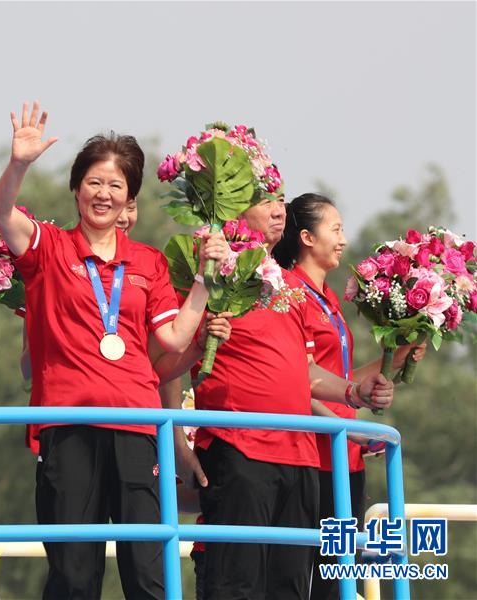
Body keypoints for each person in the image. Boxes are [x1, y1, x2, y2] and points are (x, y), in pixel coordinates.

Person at [0, 101, 229, 599]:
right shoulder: (49, 247)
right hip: (69, 425)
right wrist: (18, 165)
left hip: (137, 427)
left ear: (129, 198)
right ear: (77, 188)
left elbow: (173, 338)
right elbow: (2, 214)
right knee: (74, 574)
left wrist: (204, 283)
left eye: (116, 185)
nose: (104, 194)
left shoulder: (147, 262)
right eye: (94, 182)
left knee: (147, 571)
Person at [155, 192, 396, 599]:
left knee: (290, 588)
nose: (278, 210)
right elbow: (168, 359)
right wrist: (177, 447)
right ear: (234, 206)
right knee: (237, 586)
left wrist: (354, 392)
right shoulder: (208, 271)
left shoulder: (289, 284)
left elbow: (304, 371)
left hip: (300, 459)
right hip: (240, 451)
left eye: (281, 199)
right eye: (265, 200)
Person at [272, 193, 424, 599]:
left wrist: (398, 357)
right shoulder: (290, 293)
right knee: (306, 580)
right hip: (314, 456)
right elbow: (295, 382)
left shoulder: (329, 299)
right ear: (306, 237)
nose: (343, 240)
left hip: (346, 457)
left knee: (341, 580)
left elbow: (339, 382)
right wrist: (345, 428)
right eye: (335, 229)